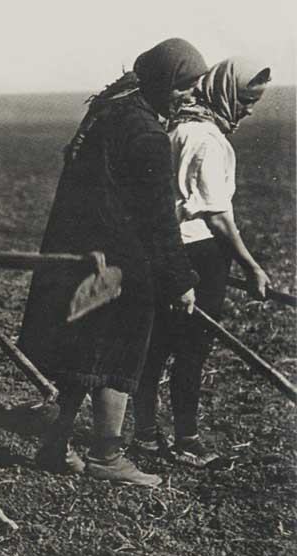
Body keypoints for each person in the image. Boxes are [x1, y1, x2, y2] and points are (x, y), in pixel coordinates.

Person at [18, 38, 206, 487]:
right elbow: (159, 218)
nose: (190, 96)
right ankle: (106, 454)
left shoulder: (110, 108)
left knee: (81, 351)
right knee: (121, 355)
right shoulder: (146, 133)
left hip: (84, 253)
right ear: (163, 80)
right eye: (184, 86)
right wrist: (180, 279)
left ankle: (55, 446)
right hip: (121, 260)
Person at [132, 58, 272, 466]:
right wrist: (249, 265)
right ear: (225, 91)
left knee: (155, 346)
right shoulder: (208, 139)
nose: (247, 110)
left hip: (165, 249)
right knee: (192, 350)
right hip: (199, 252)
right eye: (245, 100)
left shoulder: (176, 125)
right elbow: (217, 215)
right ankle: (187, 442)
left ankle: (144, 434)